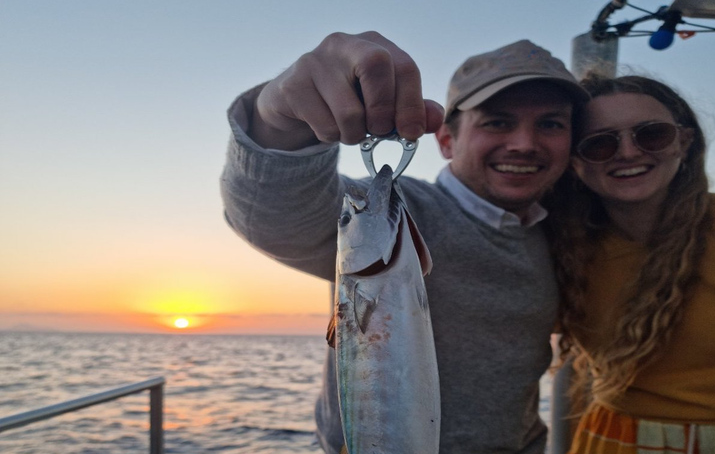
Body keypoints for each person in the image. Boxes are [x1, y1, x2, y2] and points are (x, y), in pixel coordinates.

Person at [219, 31, 590, 454]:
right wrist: (281, 124)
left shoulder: (559, 233)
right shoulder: (403, 209)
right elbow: (275, 214)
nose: (524, 143)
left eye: (551, 124)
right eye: (497, 122)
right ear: (447, 140)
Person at [546, 75, 715, 454]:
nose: (628, 153)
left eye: (651, 134)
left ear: (684, 140)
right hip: (611, 441)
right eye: (600, 144)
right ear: (574, 163)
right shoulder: (563, 245)